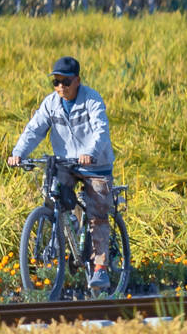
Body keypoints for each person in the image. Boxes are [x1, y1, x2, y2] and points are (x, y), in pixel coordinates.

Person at [9, 53, 117, 288]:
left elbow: (101, 130)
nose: (60, 87)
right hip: (66, 163)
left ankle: (100, 268)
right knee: (53, 195)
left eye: (66, 82)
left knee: (98, 213)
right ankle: (66, 229)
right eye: (56, 82)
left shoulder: (92, 99)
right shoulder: (50, 103)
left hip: (95, 164)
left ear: (77, 80)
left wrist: (91, 152)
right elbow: (34, 129)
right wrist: (19, 153)